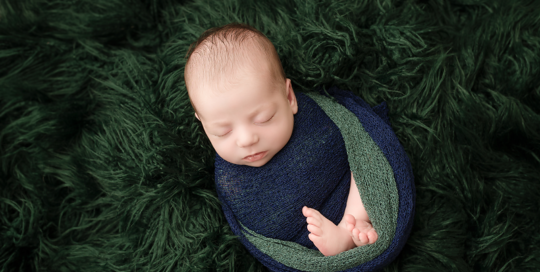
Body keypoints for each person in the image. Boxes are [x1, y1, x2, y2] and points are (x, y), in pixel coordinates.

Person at [183, 22, 378, 257]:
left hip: (351, 199)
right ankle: (345, 239)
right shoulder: (229, 178)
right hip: (306, 242)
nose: (246, 140)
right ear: (202, 122)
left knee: (367, 159)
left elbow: (357, 140)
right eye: (222, 131)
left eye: (264, 118)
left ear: (289, 97)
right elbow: (260, 227)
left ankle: (352, 224)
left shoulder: (316, 119)